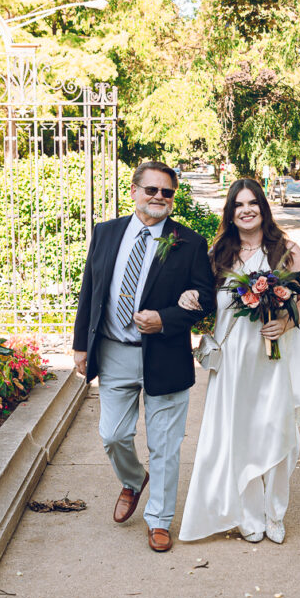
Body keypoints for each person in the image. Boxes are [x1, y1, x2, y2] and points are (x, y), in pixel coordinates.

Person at [73, 161, 216, 553]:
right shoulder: (106, 233)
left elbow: (206, 299)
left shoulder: (189, 243)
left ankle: (159, 520)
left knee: (165, 446)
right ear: (134, 190)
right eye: (151, 189)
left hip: (165, 356)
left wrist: (165, 319)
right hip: (114, 351)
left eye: (166, 192)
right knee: (113, 435)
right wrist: (81, 344)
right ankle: (134, 480)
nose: (159, 197)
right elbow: (90, 290)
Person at [177, 178, 300, 544]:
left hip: (274, 357)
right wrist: (190, 295)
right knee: (239, 434)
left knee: (275, 431)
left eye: (252, 203)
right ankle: (249, 515)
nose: (246, 210)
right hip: (235, 362)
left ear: (263, 207)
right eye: (238, 205)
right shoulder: (219, 253)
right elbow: (204, 297)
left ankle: (275, 513)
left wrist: (286, 323)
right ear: (230, 212)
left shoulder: (285, 249)